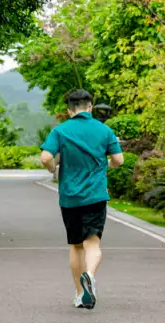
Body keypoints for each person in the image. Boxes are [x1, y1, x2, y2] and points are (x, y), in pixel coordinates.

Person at [40, 89, 124, 309]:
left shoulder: (60, 131)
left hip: (70, 197)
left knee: (76, 245)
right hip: (95, 195)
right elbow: (119, 160)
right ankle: (90, 275)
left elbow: (46, 157)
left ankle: (79, 293)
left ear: (69, 110)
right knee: (93, 242)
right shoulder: (104, 130)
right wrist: (108, 165)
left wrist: (52, 169)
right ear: (90, 107)